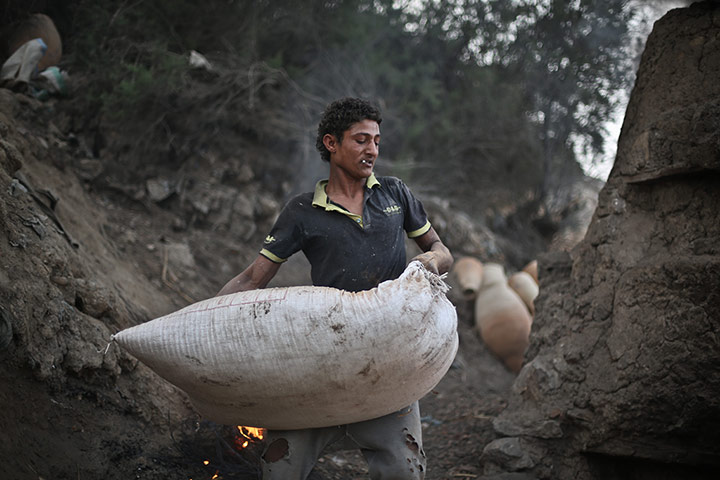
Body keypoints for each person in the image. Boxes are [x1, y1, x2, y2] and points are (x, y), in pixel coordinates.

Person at [217, 97, 453, 480]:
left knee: (403, 470)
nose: (372, 150)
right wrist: (200, 320)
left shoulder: (395, 195)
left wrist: (431, 262)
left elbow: (441, 251)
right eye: (361, 140)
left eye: (376, 141)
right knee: (281, 468)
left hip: (389, 361)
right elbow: (251, 279)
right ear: (331, 143)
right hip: (324, 358)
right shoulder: (301, 212)